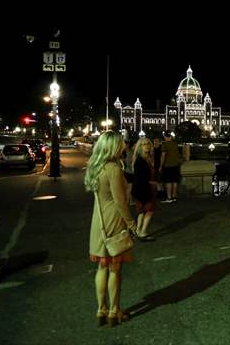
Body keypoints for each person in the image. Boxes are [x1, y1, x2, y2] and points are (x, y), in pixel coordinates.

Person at [84, 131, 137, 327]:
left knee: (102, 266)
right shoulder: (114, 168)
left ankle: (101, 309)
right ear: (114, 146)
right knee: (115, 268)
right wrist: (132, 224)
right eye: (122, 143)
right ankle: (115, 311)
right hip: (114, 219)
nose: (125, 145)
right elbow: (120, 202)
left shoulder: (95, 167)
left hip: (98, 220)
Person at [131, 137, 156, 241]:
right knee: (149, 211)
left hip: (145, 188)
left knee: (142, 211)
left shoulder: (148, 158)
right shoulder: (139, 160)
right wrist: (152, 182)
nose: (147, 146)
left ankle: (138, 231)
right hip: (143, 189)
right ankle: (143, 232)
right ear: (139, 147)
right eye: (144, 144)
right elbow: (140, 178)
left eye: (148, 144)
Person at [159, 131, 181, 203]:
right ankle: (174, 196)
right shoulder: (175, 144)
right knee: (174, 181)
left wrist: (160, 166)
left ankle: (169, 197)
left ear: (165, 137)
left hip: (168, 165)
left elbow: (163, 156)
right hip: (176, 165)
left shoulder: (164, 144)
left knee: (168, 181)